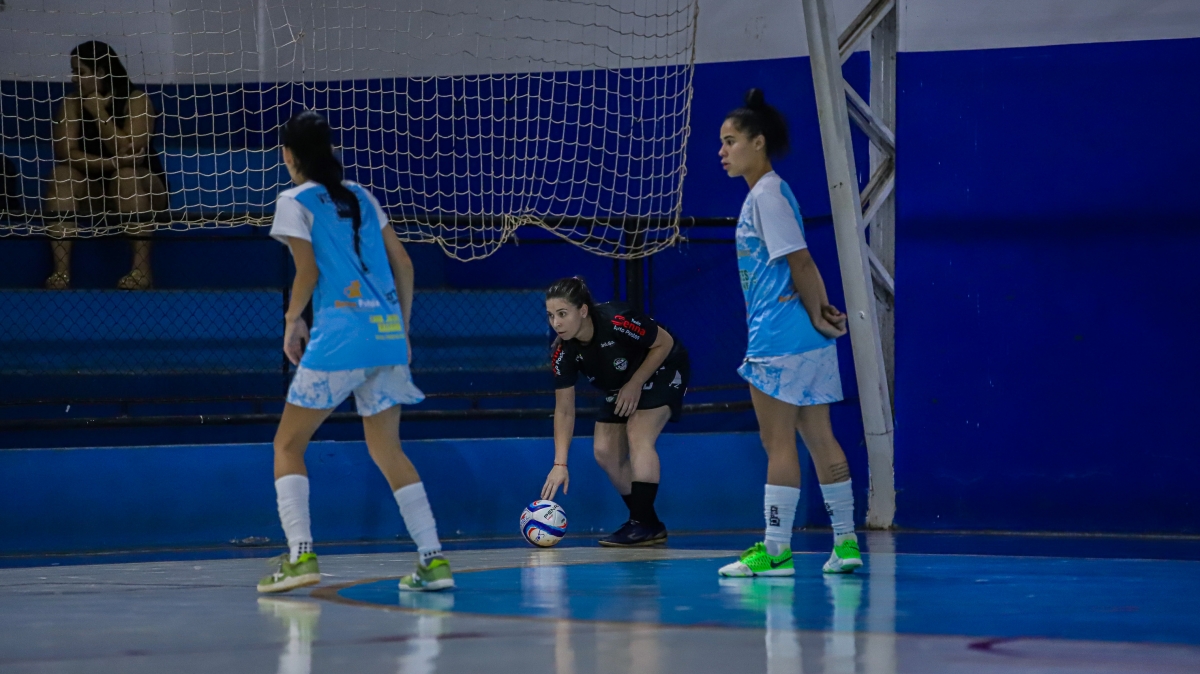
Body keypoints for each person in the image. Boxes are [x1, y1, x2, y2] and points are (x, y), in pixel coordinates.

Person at [259, 110, 452, 593]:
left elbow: (306, 272)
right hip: (386, 335)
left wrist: (292, 320)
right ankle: (433, 560)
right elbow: (403, 262)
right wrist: (400, 328)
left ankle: (300, 555)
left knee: (287, 446)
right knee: (388, 449)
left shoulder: (293, 200)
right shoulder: (362, 195)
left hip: (341, 336)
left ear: (288, 155)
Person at [715, 89, 862, 578]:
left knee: (776, 442)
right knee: (819, 436)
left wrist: (818, 312)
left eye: (731, 141)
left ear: (758, 142)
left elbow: (800, 260)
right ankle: (846, 544)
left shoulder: (766, 195)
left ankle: (776, 550)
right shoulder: (774, 193)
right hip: (804, 338)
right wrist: (819, 315)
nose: (723, 151)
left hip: (778, 338)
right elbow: (802, 264)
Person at [540, 276, 690, 546]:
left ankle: (640, 524)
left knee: (638, 434)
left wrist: (635, 383)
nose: (556, 323)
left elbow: (664, 343)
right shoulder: (563, 353)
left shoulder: (618, 321)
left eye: (562, 314)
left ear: (583, 310)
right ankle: (647, 523)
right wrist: (559, 464)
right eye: (551, 316)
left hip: (663, 366)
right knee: (605, 451)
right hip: (622, 382)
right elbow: (564, 411)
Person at [44, 41, 167, 290]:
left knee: (125, 176)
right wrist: (110, 162)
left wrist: (100, 113)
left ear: (100, 72)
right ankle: (61, 273)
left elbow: (130, 151)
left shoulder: (137, 100)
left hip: (143, 190)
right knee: (62, 176)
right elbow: (65, 153)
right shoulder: (71, 103)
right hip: (95, 190)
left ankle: (142, 271)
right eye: (74, 71)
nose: (74, 78)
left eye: (80, 72)